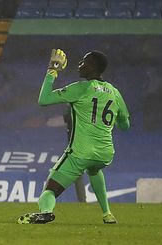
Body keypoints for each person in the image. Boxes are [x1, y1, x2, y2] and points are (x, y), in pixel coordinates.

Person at [18, 49, 130, 225]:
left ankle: (46, 212)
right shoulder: (115, 92)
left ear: (93, 67)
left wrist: (52, 71)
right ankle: (107, 213)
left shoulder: (81, 88)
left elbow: (44, 99)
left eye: (84, 61)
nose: (80, 64)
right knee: (94, 169)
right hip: (105, 154)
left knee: (50, 190)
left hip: (80, 153)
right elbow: (125, 125)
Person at [63, 109, 87, 203]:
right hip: (85, 144)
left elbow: (58, 120)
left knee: (79, 174)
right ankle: (83, 201)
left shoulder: (75, 110)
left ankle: (82, 201)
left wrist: (44, 121)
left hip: (79, 146)